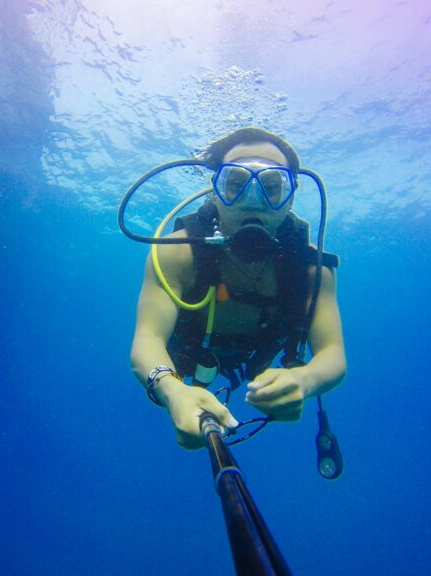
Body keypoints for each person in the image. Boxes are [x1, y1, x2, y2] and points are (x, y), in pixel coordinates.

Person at [129, 127, 347, 450]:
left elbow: (333, 354)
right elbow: (147, 338)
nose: (252, 202)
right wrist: (172, 391)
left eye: (271, 188)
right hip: (189, 351)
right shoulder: (176, 254)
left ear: (290, 198)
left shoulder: (312, 268)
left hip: (258, 354)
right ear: (215, 192)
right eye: (235, 185)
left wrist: (303, 380)